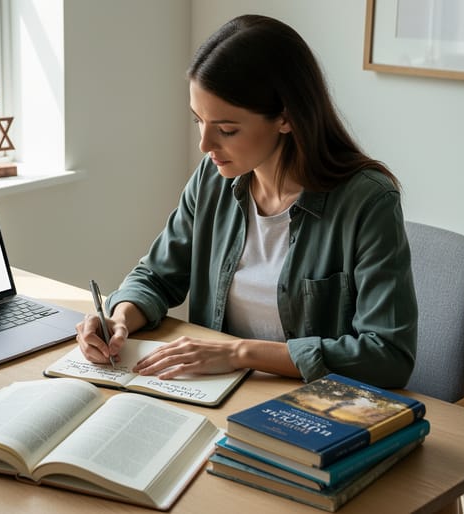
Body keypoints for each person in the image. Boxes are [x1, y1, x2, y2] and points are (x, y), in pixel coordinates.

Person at [76, 14, 418, 389]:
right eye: (198, 121)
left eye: (226, 129)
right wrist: (120, 318)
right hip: (212, 393)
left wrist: (238, 353)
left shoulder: (368, 202)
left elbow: (388, 355)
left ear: (285, 118)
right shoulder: (213, 180)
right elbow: (157, 276)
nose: (205, 146)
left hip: (311, 406)